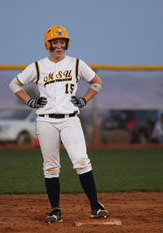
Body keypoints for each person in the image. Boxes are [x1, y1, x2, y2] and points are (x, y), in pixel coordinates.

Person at [8, 25, 108, 223]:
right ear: (48, 44)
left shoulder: (76, 64)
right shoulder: (38, 66)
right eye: (55, 42)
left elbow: (97, 82)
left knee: (81, 161)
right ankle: (55, 210)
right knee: (51, 167)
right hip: (46, 121)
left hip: (70, 119)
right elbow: (14, 84)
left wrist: (85, 99)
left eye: (63, 42)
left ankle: (95, 205)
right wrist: (29, 101)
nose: (59, 46)